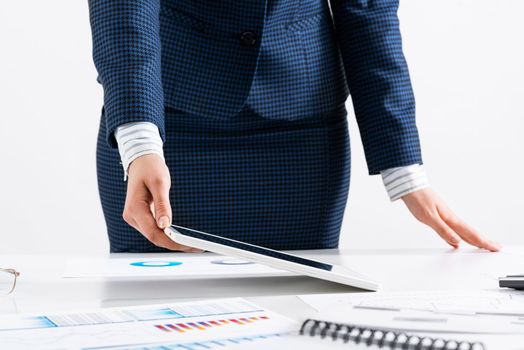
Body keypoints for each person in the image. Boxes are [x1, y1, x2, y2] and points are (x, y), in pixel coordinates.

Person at [88, 0, 500, 253]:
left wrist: (405, 172)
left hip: (299, 137)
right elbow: (123, 11)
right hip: (166, 128)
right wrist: (140, 142)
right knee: (151, 308)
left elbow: (368, 13)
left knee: (296, 310)